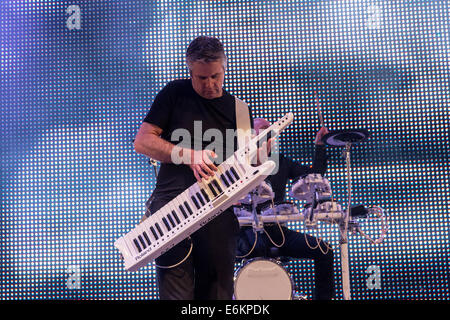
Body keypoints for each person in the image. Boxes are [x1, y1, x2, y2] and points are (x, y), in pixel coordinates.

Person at [133, 36, 254, 300]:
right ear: (190, 72)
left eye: (215, 76)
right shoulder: (174, 93)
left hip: (218, 214)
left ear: (224, 68)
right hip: (172, 210)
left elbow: (248, 168)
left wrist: (261, 154)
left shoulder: (240, 111)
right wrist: (188, 155)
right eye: (201, 78)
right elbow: (142, 142)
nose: (210, 84)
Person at [236, 118, 335, 300]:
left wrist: (319, 145)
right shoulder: (238, 163)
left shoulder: (280, 161)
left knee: (324, 250)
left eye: (270, 130)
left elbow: (315, 175)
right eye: (263, 129)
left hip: (277, 233)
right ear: (250, 136)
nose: (269, 133)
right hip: (245, 233)